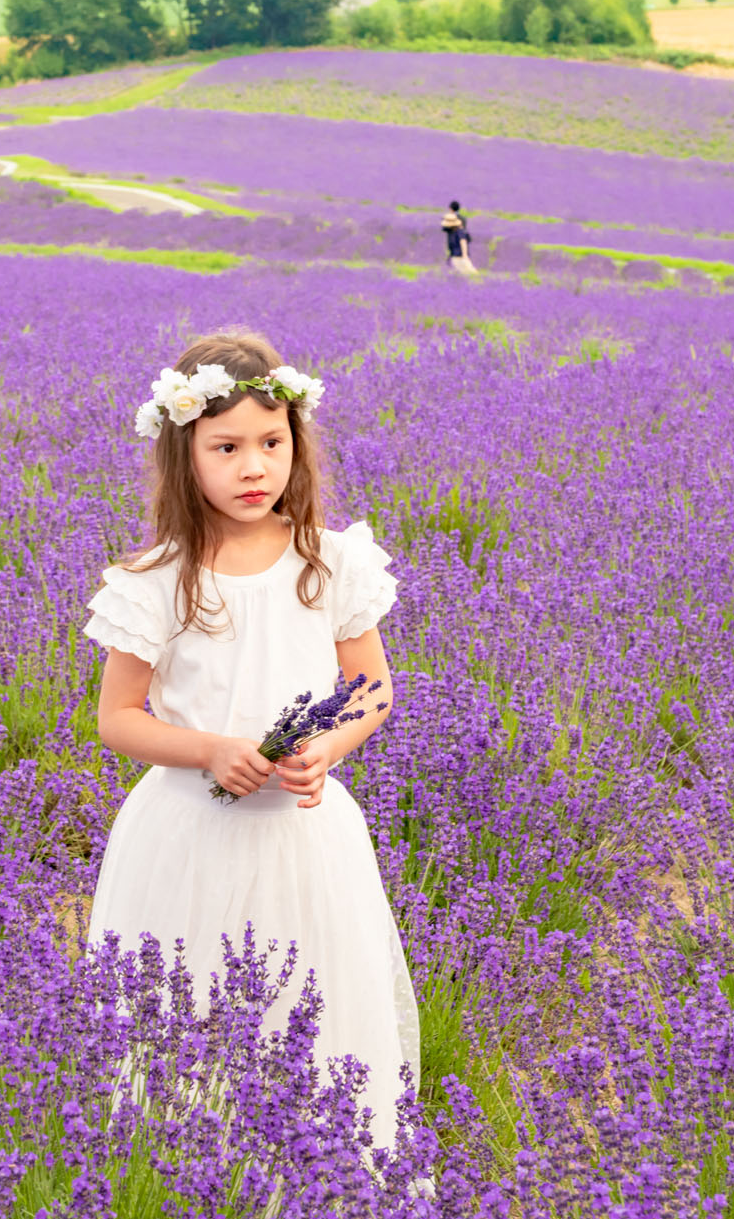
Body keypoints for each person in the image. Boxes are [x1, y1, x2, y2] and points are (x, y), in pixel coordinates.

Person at [82, 329, 419, 1141]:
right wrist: (210, 749)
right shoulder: (158, 578)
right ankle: (177, 1186)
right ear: (184, 455)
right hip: (188, 833)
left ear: (296, 445)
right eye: (226, 447)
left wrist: (329, 746)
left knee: (317, 1002)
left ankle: (323, 1179)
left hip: (305, 834)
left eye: (271, 443)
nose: (253, 467)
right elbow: (117, 716)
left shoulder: (329, 562)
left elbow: (370, 687)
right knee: (182, 1006)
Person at [441, 200, 476, 275]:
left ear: (451, 208)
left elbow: (462, 240)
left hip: (456, 247)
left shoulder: (451, 221)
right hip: (457, 246)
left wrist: (465, 254)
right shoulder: (463, 218)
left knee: (464, 268)